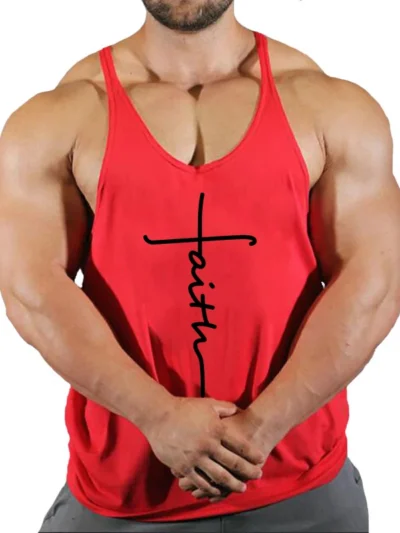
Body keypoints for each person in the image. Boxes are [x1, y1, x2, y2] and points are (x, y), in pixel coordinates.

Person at [1, 0, 399, 531]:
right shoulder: (59, 116)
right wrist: (156, 416)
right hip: (124, 493)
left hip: (301, 483)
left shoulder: (328, 104)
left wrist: (262, 428)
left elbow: (374, 281)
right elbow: (31, 290)